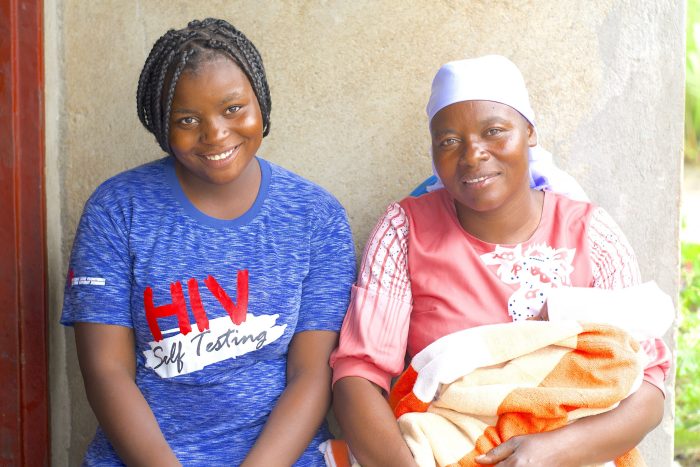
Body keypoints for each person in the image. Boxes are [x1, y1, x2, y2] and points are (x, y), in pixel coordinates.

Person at [329, 55, 670, 466]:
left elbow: (648, 383)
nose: (473, 155)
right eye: (449, 141)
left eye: (494, 131)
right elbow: (357, 376)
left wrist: (553, 451)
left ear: (529, 132)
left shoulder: (589, 234)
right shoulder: (405, 232)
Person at [61, 18, 356, 466]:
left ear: (261, 100)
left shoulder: (315, 215)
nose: (215, 133)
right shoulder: (117, 211)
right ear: (161, 125)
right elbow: (107, 371)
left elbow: (311, 373)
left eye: (233, 108)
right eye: (187, 119)